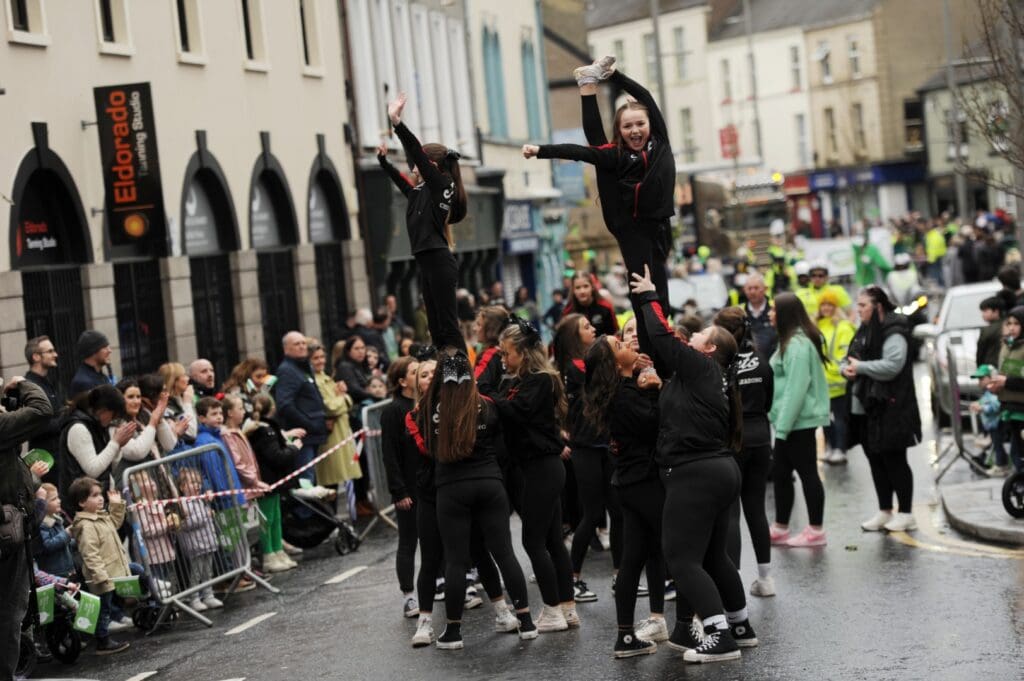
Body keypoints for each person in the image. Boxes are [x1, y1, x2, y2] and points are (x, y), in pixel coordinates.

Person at [629, 265, 756, 663]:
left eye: (698, 336)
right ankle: (739, 624)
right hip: (716, 470)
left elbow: (665, 341)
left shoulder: (702, 368)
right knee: (714, 557)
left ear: (708, 349)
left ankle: (719, 635)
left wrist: (649, 296)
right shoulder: (707, 376)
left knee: (681, 559)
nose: (693, 335)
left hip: (695, 473)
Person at [541, 56, 674, 373]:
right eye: (627, 126)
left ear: (650, 126)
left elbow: (647, 99)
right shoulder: (617, 154)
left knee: (659, 299)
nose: (635, 129)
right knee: (651, 301)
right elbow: (582, 151)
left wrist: (615, 76)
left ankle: (589, 82)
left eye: (640, 123)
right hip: (627, 222)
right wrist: (540, 151)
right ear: (621, 131)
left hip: (658, 226)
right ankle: (586, 87)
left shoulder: (661, 143)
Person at [409, 353, 538, 649]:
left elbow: (425, 443)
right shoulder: (486, 405)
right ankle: (526, 621)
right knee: (504, 553)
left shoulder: (427, 409)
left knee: (455, 560)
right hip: (489, 482)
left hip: (451, 487)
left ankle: (453, 631)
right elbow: (502, 446)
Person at [582, 333, 666, 657]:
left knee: (633, 559)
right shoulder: (624, 395)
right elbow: (653, 424)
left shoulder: (620, 391)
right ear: (616, 364)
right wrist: (656, 391)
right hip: (643, 483)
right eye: (620, 346)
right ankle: (691, 626)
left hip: (629, 484)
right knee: (677, 550)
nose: (627, 343)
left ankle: (626, 637)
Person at [492, 318, 577, 632]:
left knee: (533, 541)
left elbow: (518, 412)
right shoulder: (520, 381)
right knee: (553, 541)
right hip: (538, 467)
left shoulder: (540, 380)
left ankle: (554, 610)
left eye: (507, 353)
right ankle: (566, 608)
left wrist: (490, 400)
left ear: (524, 353)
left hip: (543, 467)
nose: (504, 359)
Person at [379, 92, 467, 353]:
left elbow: (416, 152)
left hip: (438, 260)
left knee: (448, 325)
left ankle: (463, 376)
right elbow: (403, 183)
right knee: (436, 327)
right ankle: (443, 369)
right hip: (426, 262)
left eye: (418, 164)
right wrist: (384, 163)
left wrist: (397, 123)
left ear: (431, 165)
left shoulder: (442, 185)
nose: (413, 168)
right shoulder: (420, 192)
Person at [844, 286, 922, 532]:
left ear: (878, 306)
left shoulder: (894, 330)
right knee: (875, 458)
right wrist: (845, 369)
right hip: (869, 405)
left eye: (863, 306)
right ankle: (885, 510)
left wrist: (861, 367)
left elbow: (892, 365)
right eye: (857, 306)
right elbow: (850, 358)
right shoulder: (865, 329)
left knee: (894, 458)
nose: (858, 310)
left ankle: (907, 513)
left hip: (893, 405)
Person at [552, 314, 618, 603]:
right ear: (573, 337)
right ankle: (574, 577)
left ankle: (620, 574)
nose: (593, 329)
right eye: (587, 327)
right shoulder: (576, 368)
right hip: (586, 448)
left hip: (607, 445)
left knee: (618, 513)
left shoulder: (589, 364)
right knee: (591, 515)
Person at [714, 307, 775, 597]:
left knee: (731, 513)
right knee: (756, 508)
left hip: (734, 440)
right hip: (761, 437)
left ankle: (733, 584)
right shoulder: (761, 358)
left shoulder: (721, 363)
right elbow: (769, 400)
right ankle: (766, 579)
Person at [768, 293, 831, 547]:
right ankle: (781, 526)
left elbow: (796, 389)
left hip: (797, 422)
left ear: (784, 314)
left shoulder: (796, 346)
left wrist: (781, 427)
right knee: (782, 473)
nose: (770, 314)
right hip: (791, 421)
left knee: (807, 474)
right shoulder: (790, 341)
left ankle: (816, 531)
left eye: (774, 310)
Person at [0, 377, 52, 681]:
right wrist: (23, 384)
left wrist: (29, 481)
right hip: (5, 534)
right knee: (8, 610)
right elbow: (43, 410)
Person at [219, 394, 293, 573]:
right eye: (240, 408)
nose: (244, 412)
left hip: (256, 482)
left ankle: (278, 550)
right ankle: (267, 554)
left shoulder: (240, 431)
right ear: (229, 413)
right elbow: (238, 463)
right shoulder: (228, 435)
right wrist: (254, 480)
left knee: (274, 516)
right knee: (263, 520)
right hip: (250, 484)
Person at [67, 476, 131, 655]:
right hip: (101, 575)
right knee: (103, 610)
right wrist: (100, 576)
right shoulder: (86, 526)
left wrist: (117, 505)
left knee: (104, 607)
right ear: (81, 502)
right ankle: (102, 641)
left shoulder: (100, 517)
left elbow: (116, 523)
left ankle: (88, 635)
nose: (101, 498)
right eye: (94, 495)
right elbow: (90, 554)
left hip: (111, 571)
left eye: (100, 494)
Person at [380, 356, 421, 618]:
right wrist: (399, 491)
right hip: (409, 486)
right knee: (408, 541)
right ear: (402, 381)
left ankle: (441, 582)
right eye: (415, 372)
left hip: (431, 484)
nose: (421, 376)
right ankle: (408, 595)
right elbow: (390, 454)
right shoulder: (394, 411)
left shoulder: (427, 404)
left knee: (436, 539)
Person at [58, 385, 137, 509]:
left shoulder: (96, 425)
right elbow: (93, 470)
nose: (114, 419)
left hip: (99, 500)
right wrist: (115, 443)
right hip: (82, 506)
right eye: (114, 414)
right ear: (103, 410)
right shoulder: (78, 428)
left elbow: (110, 467)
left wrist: (119, 445)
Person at [274, 332, 328, 485]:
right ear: (286, 349)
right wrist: (308, 423)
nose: (302, 347)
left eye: (303, 343)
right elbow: (285, 404)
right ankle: (304, 510)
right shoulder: (287, 370)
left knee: (311, 478)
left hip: (313, 434)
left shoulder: (302, 367)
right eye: (297, 344)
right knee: (306, 480)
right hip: (303, 436)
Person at [309, 342, 361, 490]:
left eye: (322, 357)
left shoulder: (324, 376)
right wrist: (342, 397)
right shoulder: (316, 381)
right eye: (315, 358)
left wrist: (342, 397)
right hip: (331, 436)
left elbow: (345, 400)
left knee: (342, 476)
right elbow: (331, 407)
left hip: (341, 431)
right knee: (330, 479)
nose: (320, 361)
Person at [175, 467, 224, 612]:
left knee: (207, 572)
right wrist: (206, 515)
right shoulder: (183, 503)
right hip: (195, 545)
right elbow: (185, 524)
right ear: (182, 487)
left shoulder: (199, 500)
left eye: (198, 482)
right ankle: (194, 598)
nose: (197, 485)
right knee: (196, 574)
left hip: (207, 542)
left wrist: (208, 507)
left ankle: (208, 595)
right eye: (192, 483)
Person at [817, 290, 857, 465]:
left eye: (830, 304)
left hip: (838, 381)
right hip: (821, 381)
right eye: (823, 304)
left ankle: (841, 448)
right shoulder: (816, 325)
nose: (826, 308)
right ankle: (830, 447)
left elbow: (845, 354)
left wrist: (836, 371)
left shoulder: (843, 326)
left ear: (836, 307)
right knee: (824, 417)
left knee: (839, 417)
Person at [24, 336, 62, 483]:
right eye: (50, 351)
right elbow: (37, 424)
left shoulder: (46, 382)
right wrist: (64, 419)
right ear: (36, 357)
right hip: (45, 459)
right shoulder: (29, 386)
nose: (55, 354)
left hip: (57, 455)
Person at [969, 365, 1009, 475]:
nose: (979, 382)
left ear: (990, 377)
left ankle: (1001, 465)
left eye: (982, 379)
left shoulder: (994, 390)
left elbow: (996, 405)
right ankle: (1000, 463)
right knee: (996, 444)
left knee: (997, 444)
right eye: (979, 380)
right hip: (991, 424)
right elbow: (985, 401)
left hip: (997, 423)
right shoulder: (988, 392)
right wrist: (978, 404)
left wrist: (982, 408)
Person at [561, 271, 618, 337]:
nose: (582, 291)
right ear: (573, 290)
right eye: (578, 287)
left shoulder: (605, 307)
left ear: (592, 287)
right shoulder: (568, 312)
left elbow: (615, 333)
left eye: (586, 286)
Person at [159, 362, 198, 446]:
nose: (188, 378)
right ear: (174, 381)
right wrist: (187, 402)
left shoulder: (180, 399)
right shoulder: (168, 405)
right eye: (184, 375)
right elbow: (191, 432)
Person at [69, 330, 113, 398]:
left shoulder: (102, 377)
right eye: (105, 347)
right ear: (93, 351)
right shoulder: (84, 382)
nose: (110, 351)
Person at [332, 335, 375, 405]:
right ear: (348, 351)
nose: (361, 351)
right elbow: (354, 390)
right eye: (356, 348)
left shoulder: (362, 365)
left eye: (363, 348)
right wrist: (374, 396)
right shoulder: (345, 367)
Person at [742, 273, 777, 356]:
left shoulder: (774, 308)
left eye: (756, 288)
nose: (752, 292)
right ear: (744, 290)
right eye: (749, 288)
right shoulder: (739, 312)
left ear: (765, 289)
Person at [977, 297, 1007, 370]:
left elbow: (980, 354)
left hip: (991, 367)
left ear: (996, 311)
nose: (983, 314)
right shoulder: (1009, 324)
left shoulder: (987, 330)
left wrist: (979, 369)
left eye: (985, 311)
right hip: (1009, 366)